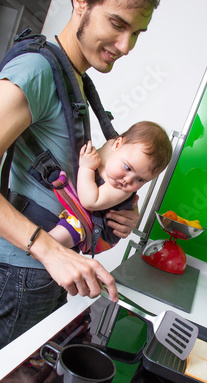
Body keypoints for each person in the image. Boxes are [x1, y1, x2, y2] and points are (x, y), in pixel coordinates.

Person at [0, 0, 160, 348]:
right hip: (23, 269)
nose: (126, 47)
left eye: (136, 34)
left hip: (41, 270)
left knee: (15, 380)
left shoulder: (75, 77)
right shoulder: (36, 71)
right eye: (117, 24)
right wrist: (48, 249)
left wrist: (117, 212)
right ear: (81, 4)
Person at [50, 121, 172, 250]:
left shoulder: (121, 190)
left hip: (99, 233)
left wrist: (86, 168)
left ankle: (47, 246)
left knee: (70, 228)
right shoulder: (109, 147)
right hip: (87, 214)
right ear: (117, 144)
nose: (128, 180)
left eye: (140, 179)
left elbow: (90, 201)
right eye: (127, 168)